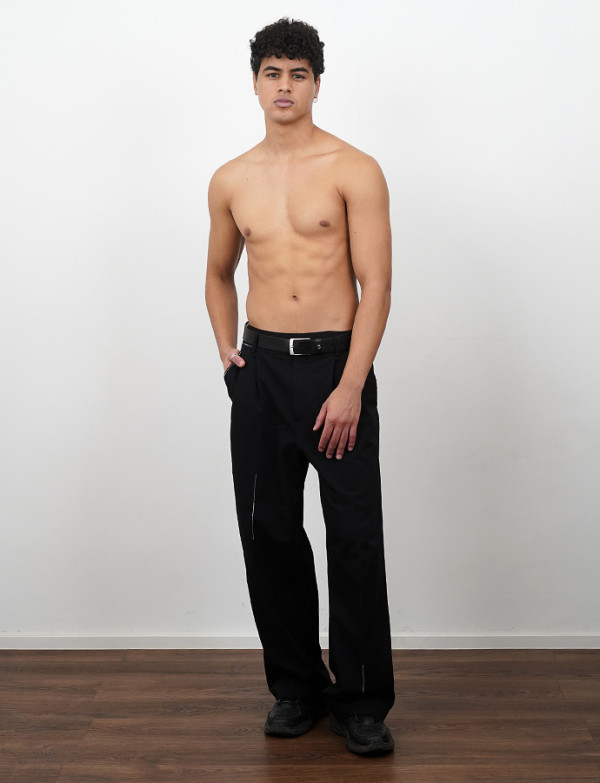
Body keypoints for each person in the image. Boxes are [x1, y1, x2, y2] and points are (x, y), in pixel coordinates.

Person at [205, 18, 395, 756]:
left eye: (299, 74)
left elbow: (376, 285)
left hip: (334, 367)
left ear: (317, 84)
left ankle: (362, 701)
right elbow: (218, 273)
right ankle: (296, 688)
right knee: (270, 533)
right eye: (273, 72)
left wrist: (351, 385)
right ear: (255, 82)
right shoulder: (230, 178)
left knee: (353, 537)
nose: (285, 86)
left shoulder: (354, 168)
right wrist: (227, 348)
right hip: (260, 373)